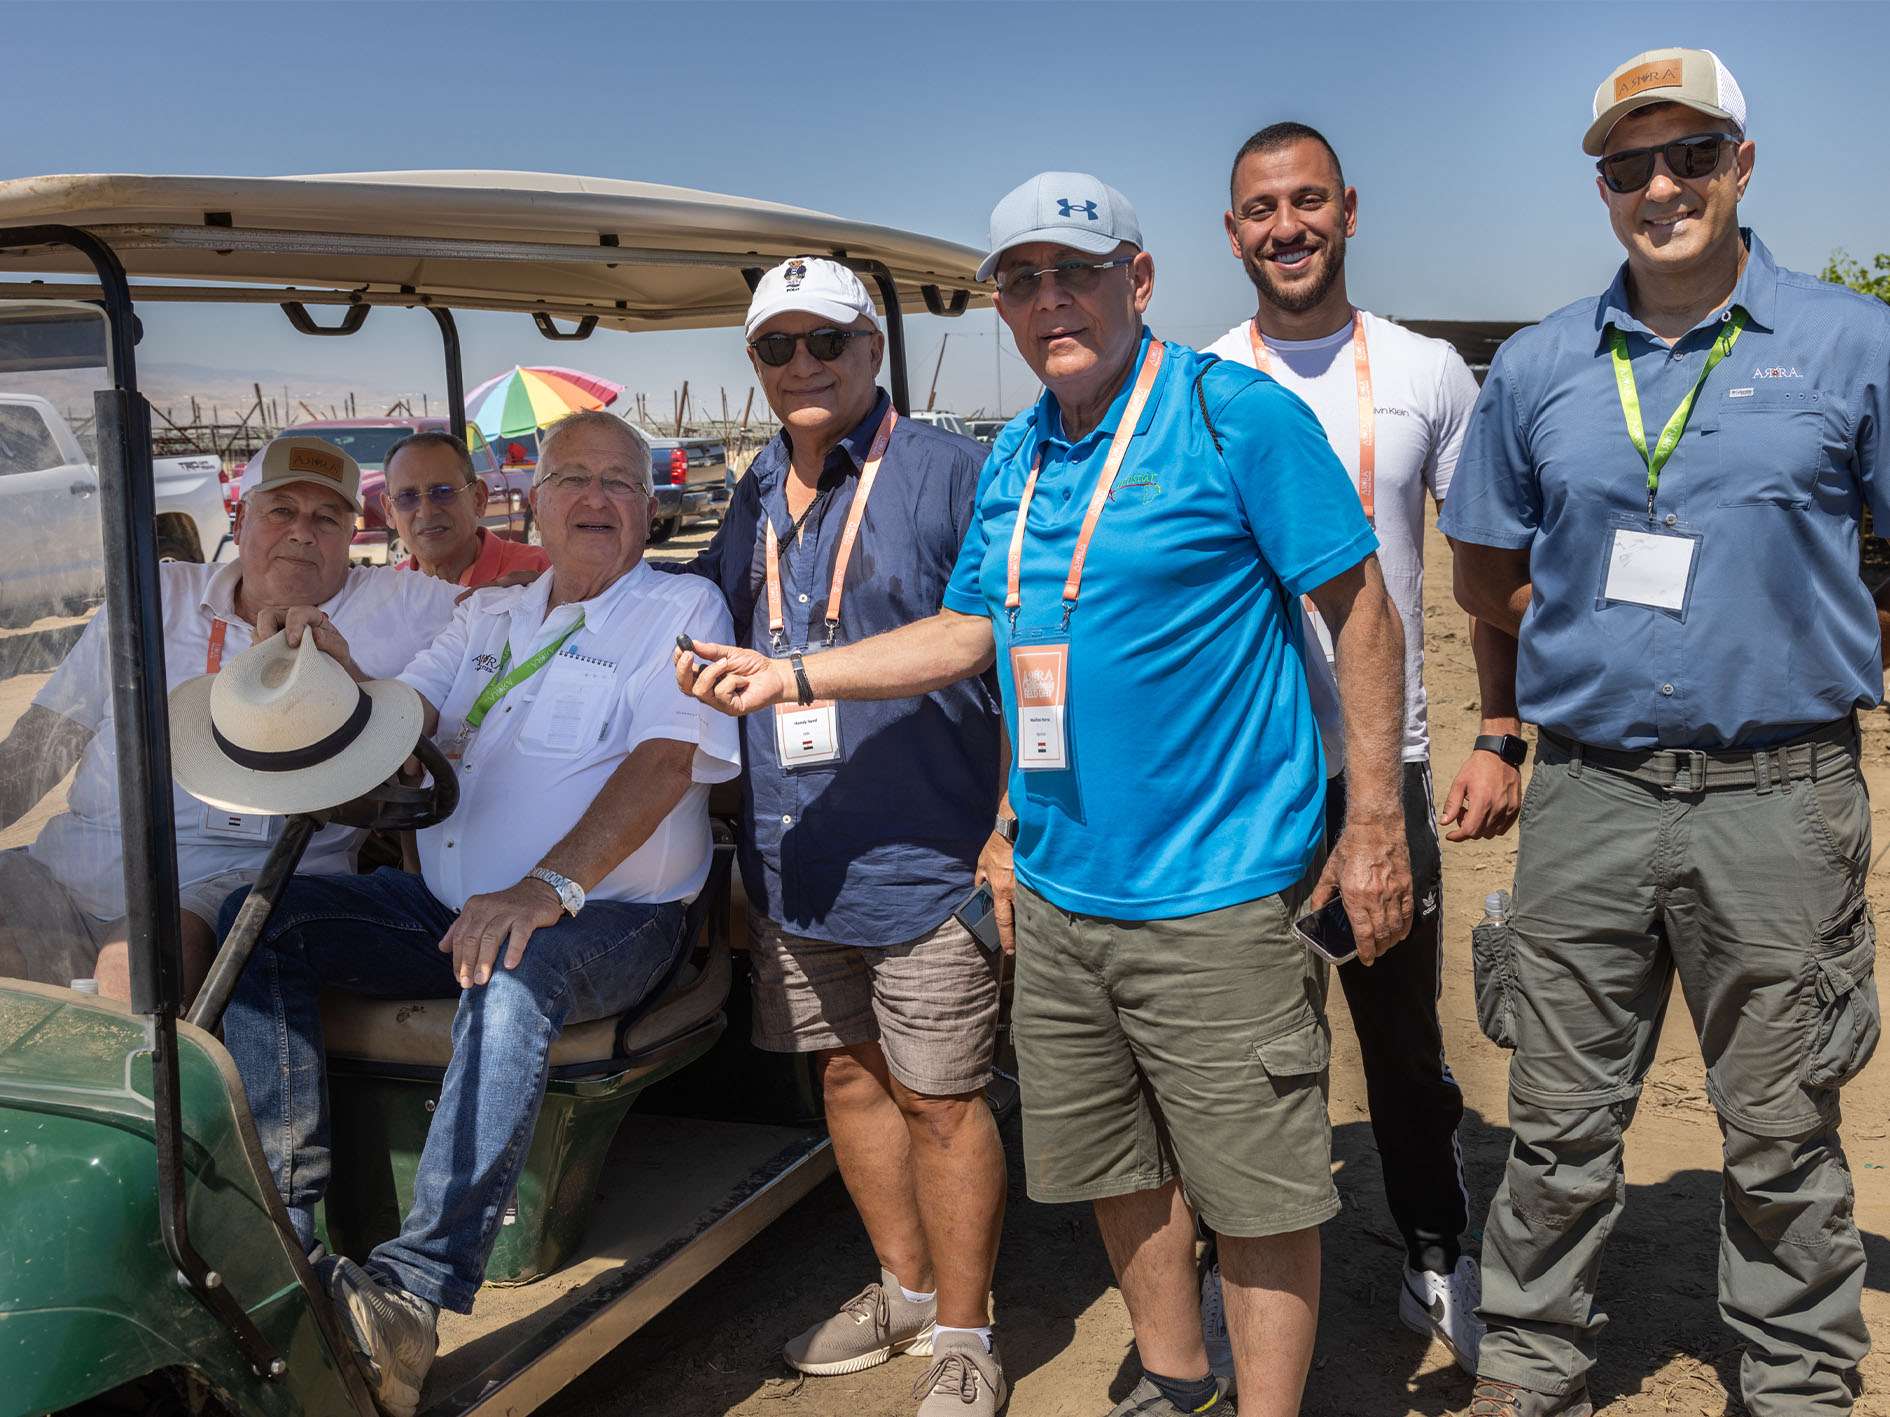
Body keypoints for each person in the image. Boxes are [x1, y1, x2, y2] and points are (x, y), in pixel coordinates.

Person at [677, 172, 1412, 1417]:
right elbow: (967, 632)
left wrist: (1377, 821)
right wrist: (794, 669)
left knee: (1257, 1195)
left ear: (1138, 278)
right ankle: (1175, 1383)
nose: (1049, 299)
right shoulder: (1017, 453)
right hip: (1064, 895)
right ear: (1002, 308)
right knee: (1119, 1175)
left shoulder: (1232, 415)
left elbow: (1366, 610)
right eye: (1022, 280)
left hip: (1219, 891)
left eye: (1074, 271)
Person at [1441, 48, 1890, 1417]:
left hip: (1782, 792)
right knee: (1558, 1123)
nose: (1659, 187)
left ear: (1739, 165)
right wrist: (1554, 666)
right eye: (1627, 165)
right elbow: (1481, 570)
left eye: (1688, 155)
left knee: (1776, 1124)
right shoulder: (1537, 367)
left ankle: (1797, 1380)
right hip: (1588, 795)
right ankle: (1530, 1363)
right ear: (1600, 187)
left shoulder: (1849, 344)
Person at [220, 410, 740, 1417]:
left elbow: (666, 759)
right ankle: (288, 1222)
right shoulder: (490, 616)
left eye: (621, 485)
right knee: (261, 918)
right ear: (533, 501)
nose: (595, 500)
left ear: (646, 507)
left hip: (612, 915)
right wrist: (328, 670)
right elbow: (397, 715)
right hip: (451, 904)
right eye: (573, 479)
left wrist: (545, 888)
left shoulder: (680, 607)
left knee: (512, 970)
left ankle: (413, 1293)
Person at [1199, 120, 1513, 1374]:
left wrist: (1501, 730)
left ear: (1348, 211)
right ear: (1232, 233)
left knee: (1401, 1044)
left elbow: (1488, 572)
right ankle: (1241, 1274)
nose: (1287, 227)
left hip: (1388, 768)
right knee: (1236, 1048)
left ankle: (1435, 1246)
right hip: (1239, 774)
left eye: (1308, 201)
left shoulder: (1431, 374)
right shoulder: (1197, 380)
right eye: (1262, 209)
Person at [673, 257, 1008, 1416]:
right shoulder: (756, 488)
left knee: (943, 1099)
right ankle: (905, 1288)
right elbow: (720, 620)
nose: (804, 365)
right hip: (796, 864)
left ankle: (966, 1331)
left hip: (928, 854)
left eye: (827, 342)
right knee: (853, 1084)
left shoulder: (951, 471)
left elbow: (1011, 649)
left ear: (873, 348)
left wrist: (1008, 833)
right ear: (756, 366)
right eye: (778, 347)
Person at [0, 435, 457, 1001]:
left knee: (136, 966)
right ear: (240, 521)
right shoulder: (158, 593)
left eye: (326, 518)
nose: (301, 531)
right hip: (71, 864)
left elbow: (530, 611)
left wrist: (520, 583)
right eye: (281, 511)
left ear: (351, 535)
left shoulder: (404, 604)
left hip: (242, 881)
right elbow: (46, 736)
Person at [383, 430, 548, 587]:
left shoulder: (542, 573)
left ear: (478, 499)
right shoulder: (386, 594)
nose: (426, 512)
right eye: (407, 497)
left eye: (443, 492)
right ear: (389, 511)